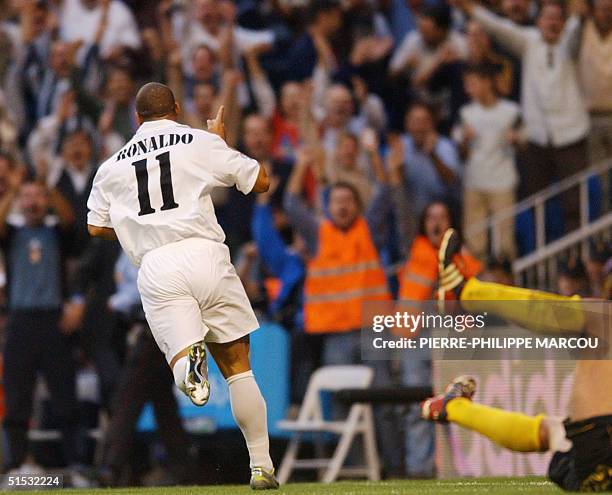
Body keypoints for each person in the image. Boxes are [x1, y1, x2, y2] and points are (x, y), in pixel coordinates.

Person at [86, 82, 278, 490]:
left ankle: (186, 367)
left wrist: (137, 227)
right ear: (175, 108)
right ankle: (261, 466)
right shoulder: (199, 141)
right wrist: (221, 146)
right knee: (238, 368)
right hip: (206, 253)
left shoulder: (110, 166)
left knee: (181, 359)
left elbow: (95, 225)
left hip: (157, 264)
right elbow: (260, 182)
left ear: (137, 118)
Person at [421, 227, 611, 492]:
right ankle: (453, 406)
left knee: (601, 320)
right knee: (556, 433)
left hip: (598, 462)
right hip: (595, 461)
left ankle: (467, 294)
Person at [453, 0, 589, 233]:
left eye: (558, 18)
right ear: (538, 21)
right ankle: (539, 261)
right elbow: (495, 25)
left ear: (564, 22)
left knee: (574, 202)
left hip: (572, 133)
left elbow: (577, 25)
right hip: (535, 137)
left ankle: (575, 263)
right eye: (548, 18)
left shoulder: (570, 40)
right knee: (535, 202)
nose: (553, 23)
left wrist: (576, 17)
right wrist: (469, 8)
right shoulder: (528, 40)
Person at [0, 169, 81, 476]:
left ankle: (74, 463)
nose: (32, 202)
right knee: (17, 395)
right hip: (20, 321)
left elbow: (68, 218)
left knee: (65, 395)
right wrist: (15, 189)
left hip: (52, 321)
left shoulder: (56, 234)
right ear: (20, 202)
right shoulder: (13, 236)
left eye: (37, 197)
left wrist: (47, 189)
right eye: (27, 198)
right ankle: (16, 464)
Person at [454, 64, 521, 261]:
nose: (468, 89)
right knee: (474, 241)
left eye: (472, 84)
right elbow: (461, 154)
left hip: (502, 181)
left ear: (487, 82)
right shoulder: (465, 113)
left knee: (504, 243)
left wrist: (515, 139)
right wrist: (465, 140)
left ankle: (507, 284)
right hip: (473, 182)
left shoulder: (511, 111)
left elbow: (524, 143)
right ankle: (477, 286)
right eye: (466, 84)